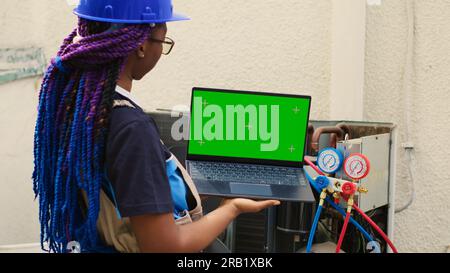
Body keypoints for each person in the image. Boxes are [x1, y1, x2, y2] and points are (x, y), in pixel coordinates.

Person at [33, 0, 280, 253]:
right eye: (163, 41)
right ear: (140, 45)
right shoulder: (131, 129)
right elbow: (163, 247)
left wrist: (188, 190)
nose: (162, 50)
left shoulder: (78, 110)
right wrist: (231, 208)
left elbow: (126, 189)